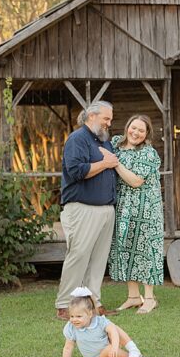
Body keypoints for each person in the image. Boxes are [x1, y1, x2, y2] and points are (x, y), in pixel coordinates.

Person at [56, 101, 119, 320]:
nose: (109, 124)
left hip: (105, 210)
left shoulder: (102, 141)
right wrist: (106, 163)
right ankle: (65, 304)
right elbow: (76, 171)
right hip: (83, 209)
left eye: (110, 120)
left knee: (99, 259)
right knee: (79, 256)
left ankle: (93, 303)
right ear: (91, 116)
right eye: (106, 119)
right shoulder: (77, 139)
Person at [109, 115, 165, 314]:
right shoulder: (116, 144)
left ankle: (149, 298)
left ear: (147, 134)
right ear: (127, 127)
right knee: (126, 247)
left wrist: (114, 163)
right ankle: (133, 296)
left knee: (146, 250)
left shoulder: (148, 153)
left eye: (141, 131)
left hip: (146, 209)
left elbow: (135, 181)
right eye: (133, 128)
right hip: (124, 206)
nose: (136, 133)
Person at [54, 287, 153, 357]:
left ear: (89, 314)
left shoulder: (99, 321)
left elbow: (113, 332)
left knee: (114, 327)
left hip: (109, 346)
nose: (74, 320)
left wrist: (114, 346)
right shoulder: (71, 327)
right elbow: (68, 347)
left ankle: (133, 349)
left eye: (79, 316)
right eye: (72, 316)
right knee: (108, 349)